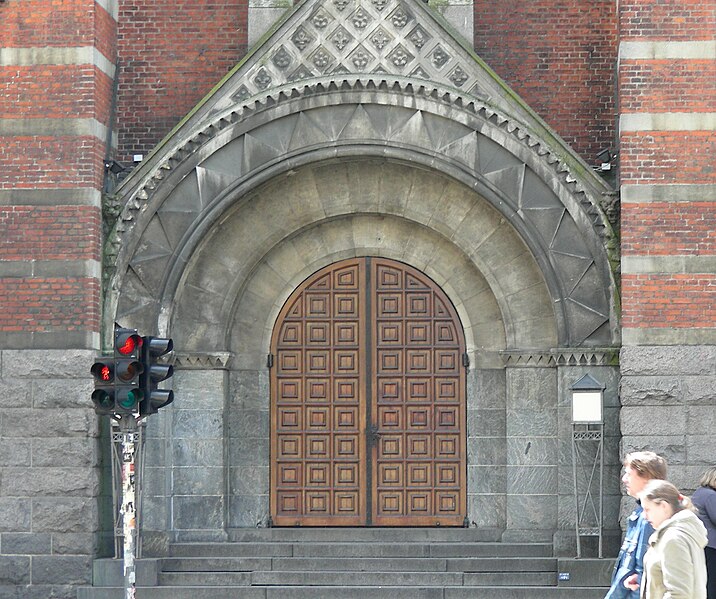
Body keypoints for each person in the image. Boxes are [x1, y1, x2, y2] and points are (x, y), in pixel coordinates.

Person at [605, 451, 667, 599]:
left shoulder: (649, 518)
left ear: (646, 477)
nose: (624, 479)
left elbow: (641, 573)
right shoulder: (642, 514)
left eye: (628, 474)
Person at [637, 479, 707, 599]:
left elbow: (679, 593)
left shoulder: (673, 539)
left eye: (647, 509)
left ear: (663, 506)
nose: (644, 515)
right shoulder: (681, 532)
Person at [693, 466, 716, 599]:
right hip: (712, 546)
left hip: (704, 544)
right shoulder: (710, 496)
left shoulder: (701, 492)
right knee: (712, 584)